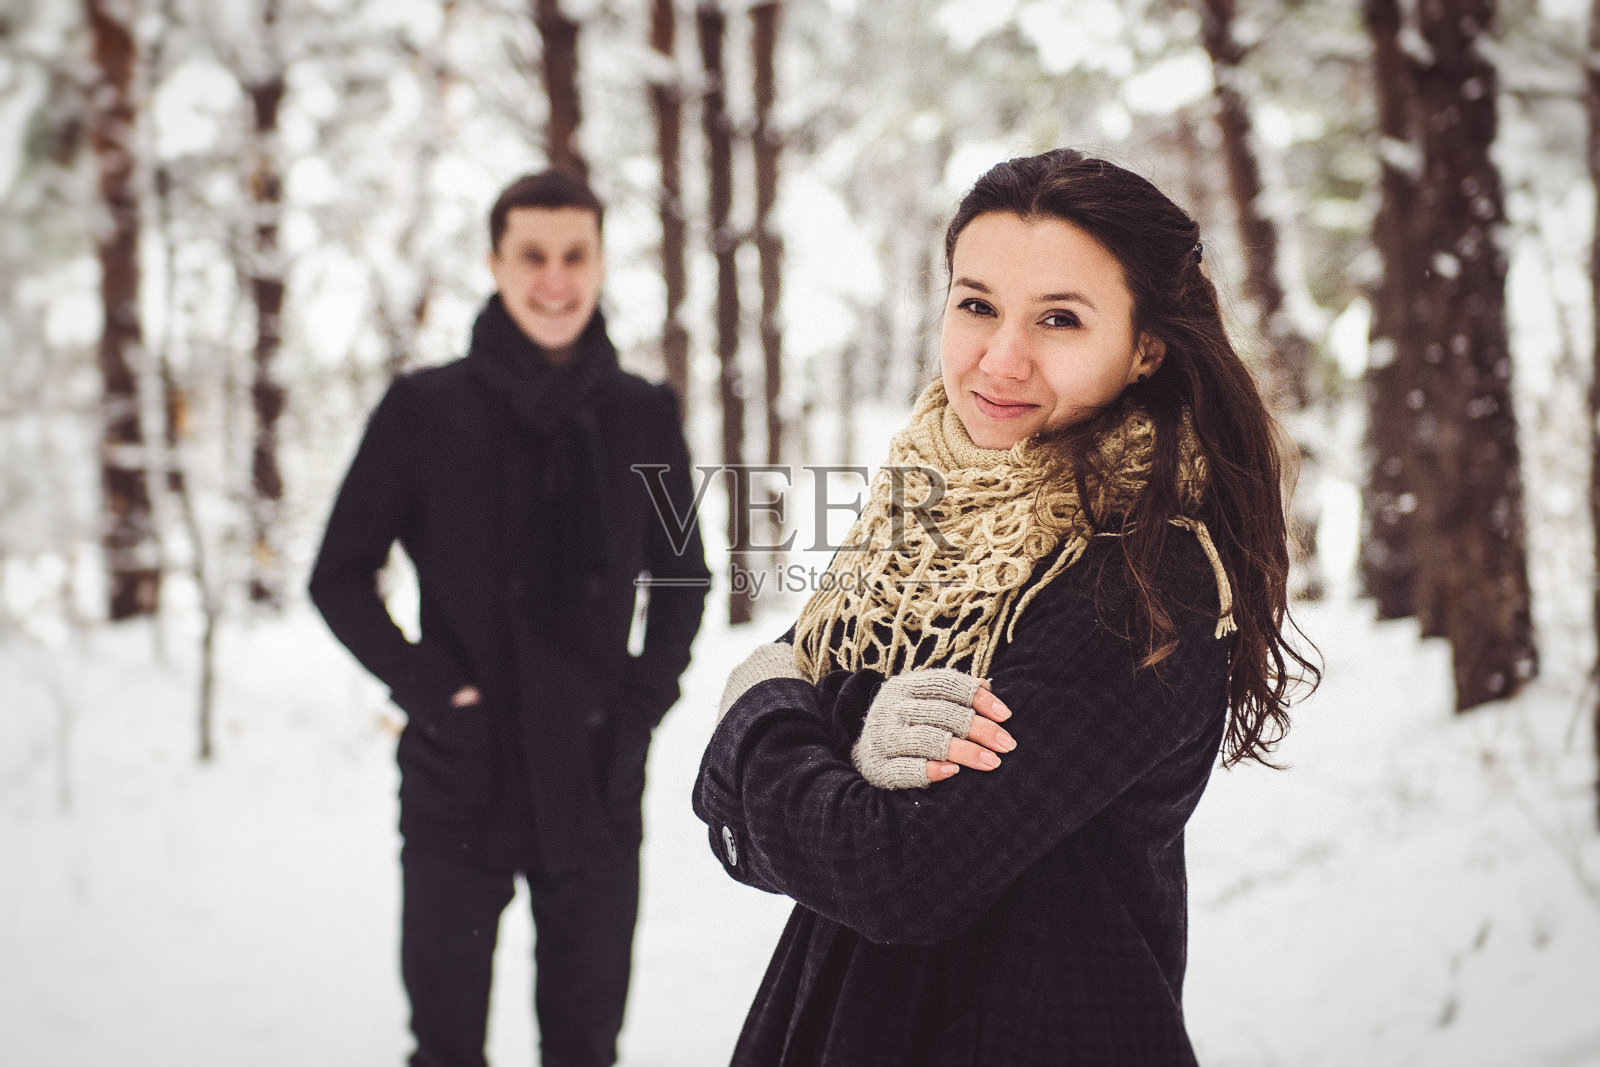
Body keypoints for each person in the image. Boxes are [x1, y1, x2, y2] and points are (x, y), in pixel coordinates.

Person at [694, 149, 1318, 1065]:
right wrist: (849, 742)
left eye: (1059, 318)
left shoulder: (1144, 575)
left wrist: (765, 706)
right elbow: (738, 820)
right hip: (850, 1017)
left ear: (1146, 344)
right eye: (977, 303)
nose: (1001, 357)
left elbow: (900, 877)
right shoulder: (923, 514)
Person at [310, 169, 710, 1067]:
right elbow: (338, 574)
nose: (555, 279)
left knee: (585, 1047)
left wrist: (640, 706)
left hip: (596, 771)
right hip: (462, 769)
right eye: (533, 255)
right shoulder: (423, 410)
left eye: (576, 255)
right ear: (495, 262)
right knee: (445, 1045)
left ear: (603, 264)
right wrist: (430, 687)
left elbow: (683, 577)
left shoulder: (644, 414)